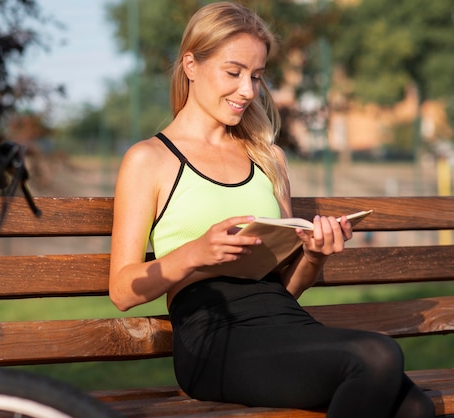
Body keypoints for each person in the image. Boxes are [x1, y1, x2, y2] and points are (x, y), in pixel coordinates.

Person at [108, 2, 435, 417]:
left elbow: (287, 288)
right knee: (378, 355)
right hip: (214, 336)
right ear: (191, 64)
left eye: (256, 76)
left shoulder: (268, 158)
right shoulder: (149, 159)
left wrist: (313, 255)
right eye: (234, 72)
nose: (247, 90)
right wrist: (195, 254)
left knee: (414, 408)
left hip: (283, 321)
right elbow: (122, 290)